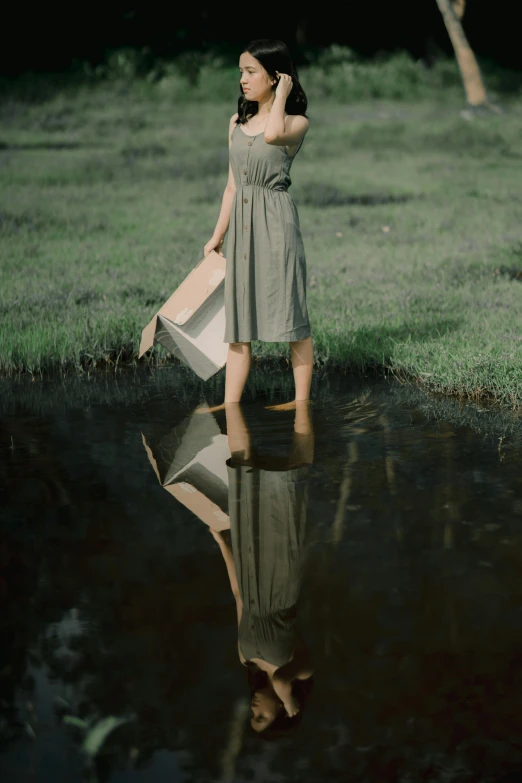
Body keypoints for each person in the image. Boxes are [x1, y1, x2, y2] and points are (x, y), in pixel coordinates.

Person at [203, 39, 313, 412]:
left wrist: (281, 96)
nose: (243, 80)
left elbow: (271, 135)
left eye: (250, 72)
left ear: (275, 75)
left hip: (277, 227)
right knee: (239, 321)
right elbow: (232, 185)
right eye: (241, 72)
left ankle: (301, 404)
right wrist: (216, 236)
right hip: (242, 230)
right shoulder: (236, 122)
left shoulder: (297, 122)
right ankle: (229, 405)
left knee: (290, 314)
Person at [210, 401, 315, 737]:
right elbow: (282, 680)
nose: (253, 711)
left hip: (250, 568)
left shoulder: (245, 660)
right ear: (282, 714)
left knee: (241, 473)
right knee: (292, 486)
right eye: (261, 718)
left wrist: (223, 544)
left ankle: (234, 407)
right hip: (283, 578)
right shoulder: (301, 673)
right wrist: (289, 702)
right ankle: (302, 407)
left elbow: (238, 594)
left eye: (252, 718)